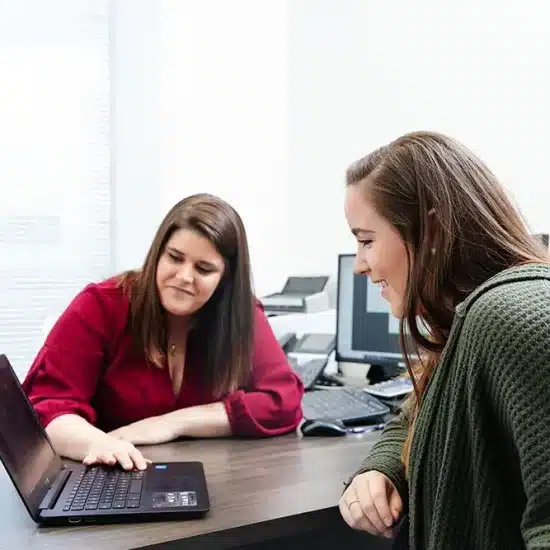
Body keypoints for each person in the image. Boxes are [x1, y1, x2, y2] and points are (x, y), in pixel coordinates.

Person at [338, 131, 550, 550]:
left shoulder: (509, 316)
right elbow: (417, 414)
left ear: (430, 231)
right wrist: (381, 468)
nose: (359, 266)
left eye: (366, 241)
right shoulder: (465, 320)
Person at [23, 193, 304, 471]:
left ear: (225, 279)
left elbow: (282, 401)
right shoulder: (100, 304)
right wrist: (99, 444)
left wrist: (171, 424)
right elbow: (46, 408)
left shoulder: (240, 315)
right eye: (174, 257)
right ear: (158, 253)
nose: (184, 277)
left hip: (209, 481)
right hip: (108, 477)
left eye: (204, 269)